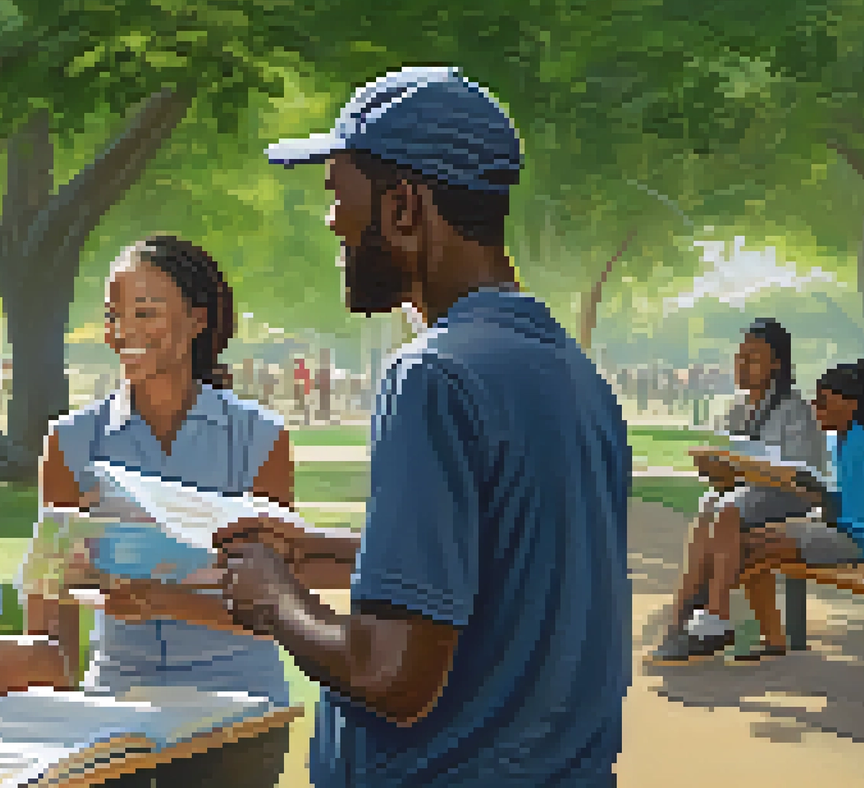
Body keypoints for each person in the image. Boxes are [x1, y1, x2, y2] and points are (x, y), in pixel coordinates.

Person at [213, 66, 632, 787]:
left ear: (404, 207)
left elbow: (394, 677)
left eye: (337, 197)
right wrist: (338, 551)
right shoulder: (571, 373)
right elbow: (519, 565)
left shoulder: (432, 375)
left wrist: (277, 598)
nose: (332, 223)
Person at [24, 234, 297, 788]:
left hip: (238, 709)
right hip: (116, 712)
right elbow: (50, 598)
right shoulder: (72, 440)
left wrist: (163, 600)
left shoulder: (259, 438)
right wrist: (54, 711)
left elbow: (279, 604)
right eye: (113, 315)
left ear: (197, 320)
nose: (123, 330)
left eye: (144, 312)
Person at [648, 319, 829, 663]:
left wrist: (747, 473)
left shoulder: (795, 410)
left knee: (729, 510)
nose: (742, 367)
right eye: (740, 358)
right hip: (753, 495)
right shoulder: (738, 410)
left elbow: (800, 477)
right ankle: (681, 620)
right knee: (709, 507)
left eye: (753, 359)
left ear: (776, 364)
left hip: (794, 498)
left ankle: (715, 616)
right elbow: (730, 480)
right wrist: (715, 469)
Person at [738, 360, 864, 656]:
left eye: (824, 402)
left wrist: (820, 509)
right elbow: (850, 501)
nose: (816, 409)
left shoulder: (862, 444)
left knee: (751, 547)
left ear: (850, 403)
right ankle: (764, 635)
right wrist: (818, 499)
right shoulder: (843, 439)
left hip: (863, 544)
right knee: (749, 538)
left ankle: (753, 633)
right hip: (846, 531)